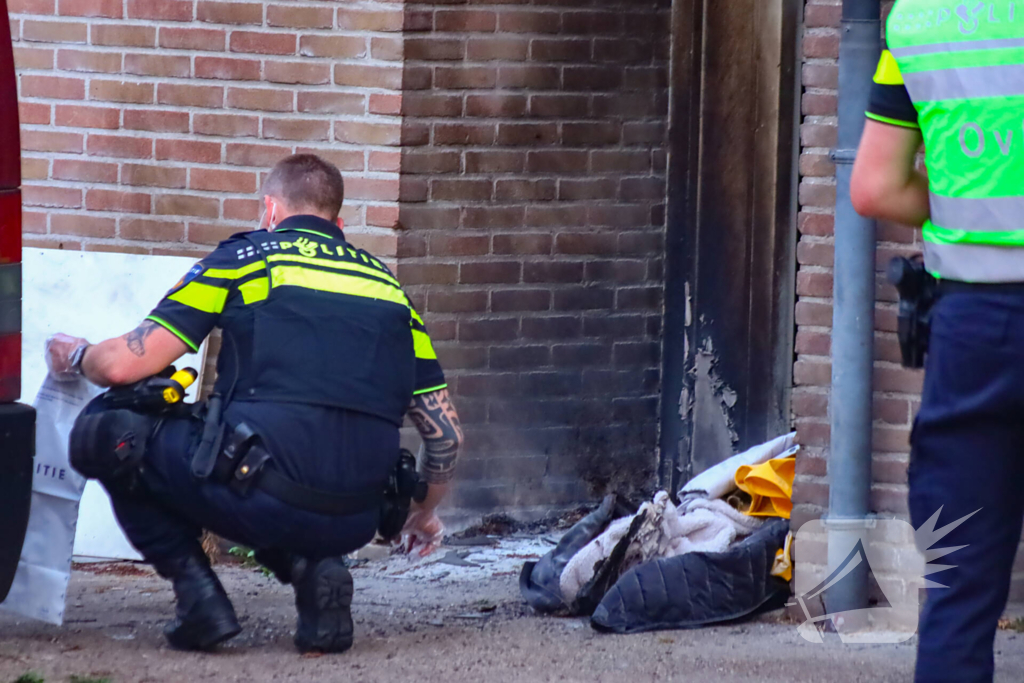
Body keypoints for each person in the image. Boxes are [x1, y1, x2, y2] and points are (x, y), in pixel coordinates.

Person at [45, 154, 463, 654]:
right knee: (284, 465)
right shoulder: (390, 288)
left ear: (269, 210)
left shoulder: (247, 258)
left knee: (107, 430)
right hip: (356, 517)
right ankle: (313, 568)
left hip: (258, 495)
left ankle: (200, 603)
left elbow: (121, 368)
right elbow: (446, 434)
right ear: (340, 224)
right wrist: (422, 512)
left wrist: (76, 354)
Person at [850, 7, 1024, 682]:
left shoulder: (917, 24)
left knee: (958, 590)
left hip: (970, 332)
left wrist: (960, 202)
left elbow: (876, 184)